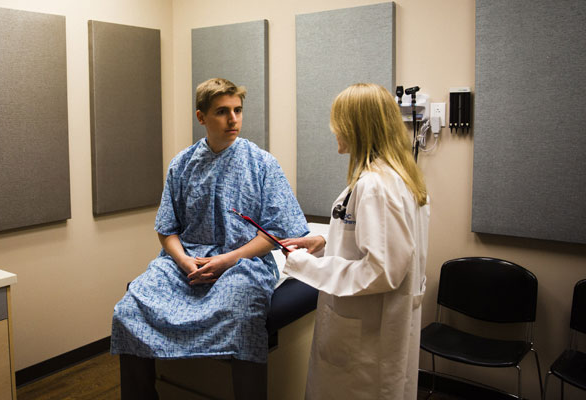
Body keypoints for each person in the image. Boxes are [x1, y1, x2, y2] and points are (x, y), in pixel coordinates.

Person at [111, 78, 308, 400]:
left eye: (238, 110)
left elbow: (276, 232)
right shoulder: (182, 165)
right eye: (222, 112)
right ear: (201, 117)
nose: (233, 119)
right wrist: (184, 260)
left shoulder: (262, 164)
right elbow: (167, 228)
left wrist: (226, 260)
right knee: (128, 310)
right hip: (185, 262)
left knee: (242, 318)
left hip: (244, 262)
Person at [281, 83, 430, 400]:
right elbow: (379, 243)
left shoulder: (376, 185)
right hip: (374, 329)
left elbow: (382, 271)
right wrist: (324, 243)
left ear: (357, 127)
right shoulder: (399, 177)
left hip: (366, 342)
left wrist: (307, 267)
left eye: (339, 121)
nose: (333, 129)